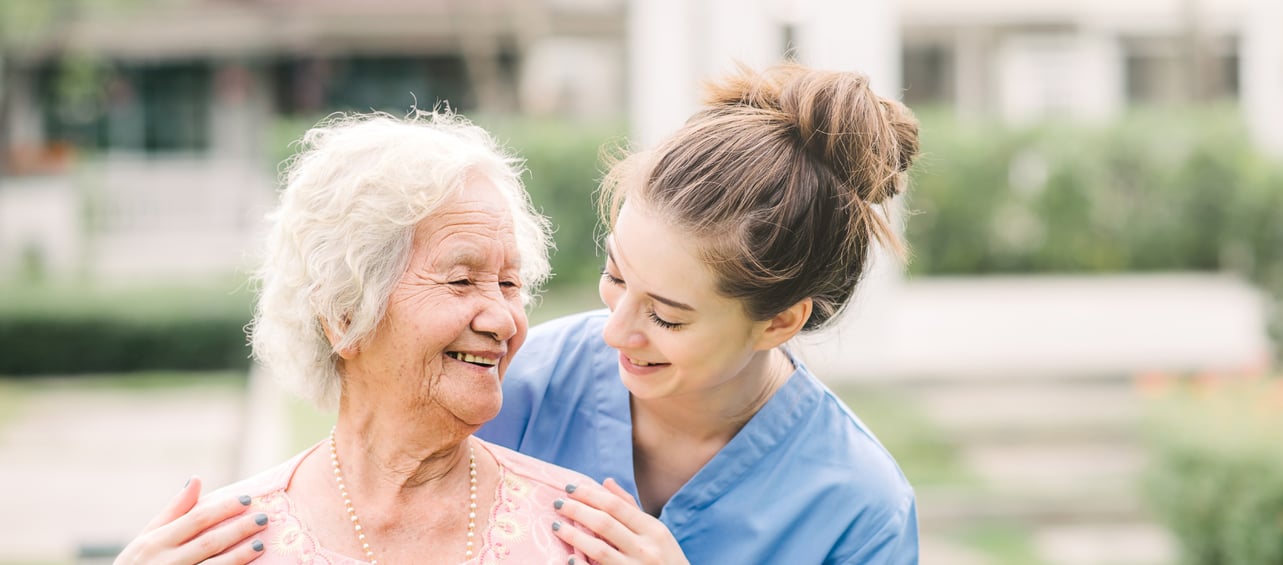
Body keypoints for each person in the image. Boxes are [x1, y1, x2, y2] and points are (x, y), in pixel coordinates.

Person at [479, 63, 921, 564]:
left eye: (666, 317)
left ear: (779, 322)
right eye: (616, 276)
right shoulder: (511, 389)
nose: (616, 332)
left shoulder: (861, 513)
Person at [115, 110, 600, 564]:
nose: (505, 320)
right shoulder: (232, 546)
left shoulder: (578, 536)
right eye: (460, 280)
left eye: (510, 284)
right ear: (344, 315)